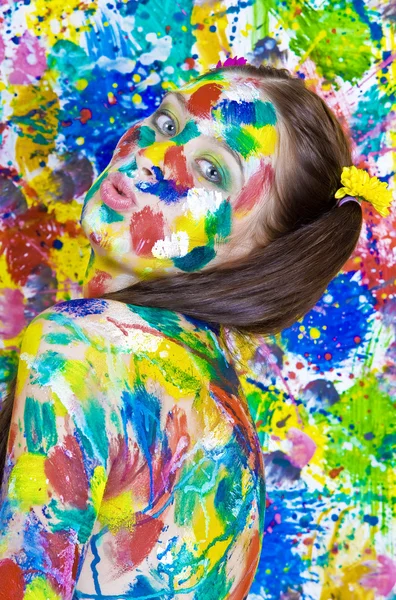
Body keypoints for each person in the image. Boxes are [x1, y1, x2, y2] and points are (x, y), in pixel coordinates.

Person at [0, 63, 392, 599]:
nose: (154, 157)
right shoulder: (226, 425)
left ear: (261, 253)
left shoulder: (89, 348)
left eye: (212, 171)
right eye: (167, 123)